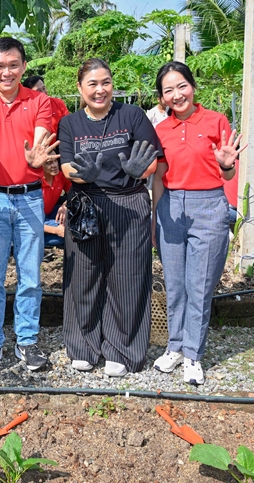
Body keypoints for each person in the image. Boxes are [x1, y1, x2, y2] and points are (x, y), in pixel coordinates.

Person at [0, 37, 60, 376]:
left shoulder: (40, 101)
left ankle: (27, 341)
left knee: (31, 276)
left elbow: (41, 136)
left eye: (13, 65)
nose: (7, 72)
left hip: (30, 198)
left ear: (24, 67)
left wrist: (36, 155)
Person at [58, 58, 160, 377]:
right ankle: (84, 346)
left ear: (112, 84)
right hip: (87, 205)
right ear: (80, 88)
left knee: (126, 278)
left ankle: (121, 348)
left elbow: (151, 160)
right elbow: (65, 166)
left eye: (106, 82)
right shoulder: (70, 123)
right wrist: (80, 174)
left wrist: (138, 170)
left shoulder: (131, 115)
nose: (100, 90)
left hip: (128, 204)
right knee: (84, 277)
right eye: (92, 84)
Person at [151, 61, 247, 385]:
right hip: (171, 207)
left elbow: (228, 172)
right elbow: (160, 177)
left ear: (192, 87)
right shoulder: (161, 130)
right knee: (175, 285)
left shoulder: (215, 120)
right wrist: (156, 216)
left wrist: (227, 165)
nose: (177, 95)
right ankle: (174, 346)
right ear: (162, 98)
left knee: (200, 285)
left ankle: (192, 353)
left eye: (182, 86)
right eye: (168, 90)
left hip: (209, 206)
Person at [42, 157, 70, 247]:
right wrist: (56, 230)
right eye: (49, 163)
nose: (54, 165)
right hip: (34, 222)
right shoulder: (35, 184)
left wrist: (65, 205)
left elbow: (73, 192)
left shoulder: (59, 176)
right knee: (69, 231)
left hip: (48, 213)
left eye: (55, 161)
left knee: (75, 218)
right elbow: (27, 223)